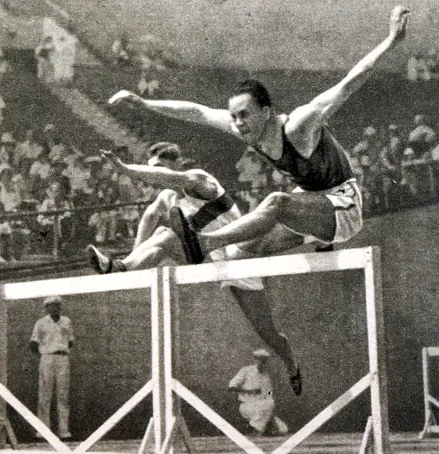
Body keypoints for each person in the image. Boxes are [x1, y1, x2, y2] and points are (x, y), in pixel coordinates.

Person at [107, 6, 410, 264]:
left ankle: (205, 241)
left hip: (343, 205)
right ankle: (156, 258)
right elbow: (196, 112)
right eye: (234, 116)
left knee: (276, 202)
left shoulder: (298, 126)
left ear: (266, 111)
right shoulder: (245, 127)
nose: (237, 123)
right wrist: (143, 102)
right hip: (308, 204)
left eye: (244, 115)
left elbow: (348, 84)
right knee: (246, 251)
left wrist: (392, 40)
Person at [86, 142, 302, 395]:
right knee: (163, 234)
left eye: (159, 168)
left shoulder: (200, 179)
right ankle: (120, 268)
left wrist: (125, 169)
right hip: (203, 255)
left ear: (176, 164)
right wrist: (134, 256)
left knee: (266, 331)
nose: (155, 174)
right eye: (151, 168)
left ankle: (291, 364)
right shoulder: (167, 197)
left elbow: (167, 178)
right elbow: (149, 215)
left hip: (238, 257)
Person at [30, 296, 74, 441]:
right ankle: (42, 430)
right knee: (45, 394)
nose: (54, 308)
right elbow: (33, 344)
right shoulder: (41, 323)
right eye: (51, 305)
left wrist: (60, 351)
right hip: (47, 358)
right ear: (46, 308)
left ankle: (64, 430)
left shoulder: (66, 321)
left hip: (63, 359)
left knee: (63, 395)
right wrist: (46, 355)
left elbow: (70, 341)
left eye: (57, 305)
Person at [228, 349, 289, 436]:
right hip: (248, 405)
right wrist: (250, 391)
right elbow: (231, 387)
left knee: (283, 430)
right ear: (255, 360)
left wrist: (270, 415)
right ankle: (257, 430)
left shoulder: (266, 376)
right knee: (269, 404)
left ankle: (261, 427)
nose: (262, 362)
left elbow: (268, 395)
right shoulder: (246, 370)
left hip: (263, 408)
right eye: (260, 360)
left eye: (264, 361)